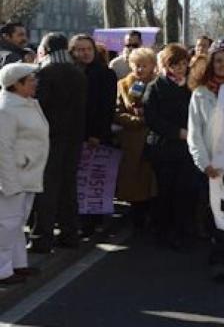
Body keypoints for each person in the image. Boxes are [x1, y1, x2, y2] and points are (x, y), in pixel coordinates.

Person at [187, 40, 224, 281]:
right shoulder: (201, 94)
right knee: (216, 214)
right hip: (213, 165)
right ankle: (219, 260)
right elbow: (195, 132)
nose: (223, 65)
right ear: (211, 64)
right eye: (218, 61)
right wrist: (204, 163)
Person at [30, 34, 87, 253]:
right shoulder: (78, 73)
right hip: (74, 137)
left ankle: (42, 238)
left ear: (45, 48)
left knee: (47, 188)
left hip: (50, 138)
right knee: (68, 186)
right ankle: (70, 233)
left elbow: (40, 106)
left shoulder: (44, 73)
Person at [144, 44, 199, 250]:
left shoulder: (192, 86)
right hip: (164, 147)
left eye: (184, 64)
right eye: (175, 65)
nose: (180, 69)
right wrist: (176, 132)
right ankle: (163, 229)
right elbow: (152, 117)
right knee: (165, 190)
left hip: (188, 148)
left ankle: (182, 229)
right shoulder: (156, 86)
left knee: (184, 190)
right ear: (167, 65)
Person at [0, 64, 49, 285]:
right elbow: (3, 148)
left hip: (28, 174)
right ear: (16, 84)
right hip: (14, 177)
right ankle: (2, 270)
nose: (35, 82)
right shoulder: (6, 109)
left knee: (18, 222)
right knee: (6, 224)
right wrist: (9, 182)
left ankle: (17, 264)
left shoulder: (27, 104)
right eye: (30, 79)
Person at [69, 34, 117, 239]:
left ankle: (93, 221)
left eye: (88, 48)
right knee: (78, 179)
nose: (85, 53)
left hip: (95, 133)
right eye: (79, 49)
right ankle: (80, 220)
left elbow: (106, 108)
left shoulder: (105, 73)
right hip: (73, 133)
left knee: (94, 179)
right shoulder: (71, 72)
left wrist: (97, 133)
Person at [113, 47, 159, 231]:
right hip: (134, 140)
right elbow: (117, 113)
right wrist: (137, 120)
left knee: (154, 183)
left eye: (144, 65)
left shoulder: (159, 84)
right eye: (136, 65)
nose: (140, 70)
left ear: (153, 66)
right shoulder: (123, 84)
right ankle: (137, 219)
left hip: (155, 139)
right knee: (136, 183)